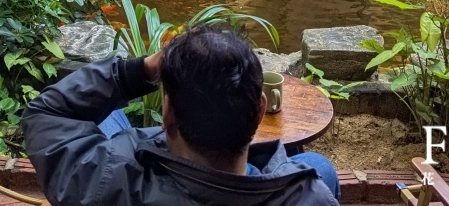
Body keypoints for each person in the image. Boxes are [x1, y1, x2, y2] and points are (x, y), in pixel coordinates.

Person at [24, 25, 340, 205]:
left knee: (107, 118)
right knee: (318, 166)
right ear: (260, 110)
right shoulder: (311, 197)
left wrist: (139, 71)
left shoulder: (104, 180)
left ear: (168, 115)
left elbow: (47, 112)